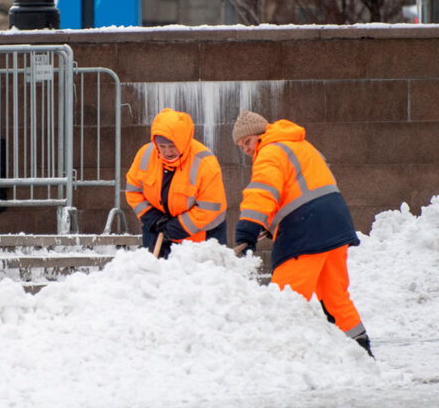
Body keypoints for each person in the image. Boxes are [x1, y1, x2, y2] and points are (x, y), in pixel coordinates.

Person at [232, 110, 373, 357]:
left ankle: (279, 358)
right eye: (241, 146)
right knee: (334, 296)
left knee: (284, 299)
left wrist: (247, 229)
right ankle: (361, 354)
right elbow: (299, 188)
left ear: (260, 135)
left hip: (307, 231)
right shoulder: (300, 145)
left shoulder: (270, 150)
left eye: (247, 142)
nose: (246, 149)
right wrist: (270, 224)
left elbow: (263, 191)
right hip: (335, 224)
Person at [125, 108, 228, 258]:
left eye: (172, 146)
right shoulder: (145, 155)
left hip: (201, 234)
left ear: (182, 141)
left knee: (199, 279)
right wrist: (152, 218)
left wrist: (174, 228)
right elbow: (133, 190)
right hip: (157, 227)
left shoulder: (204, 163)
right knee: (154, 276)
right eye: (162, 146)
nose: (167, 151)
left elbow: (209, 206)